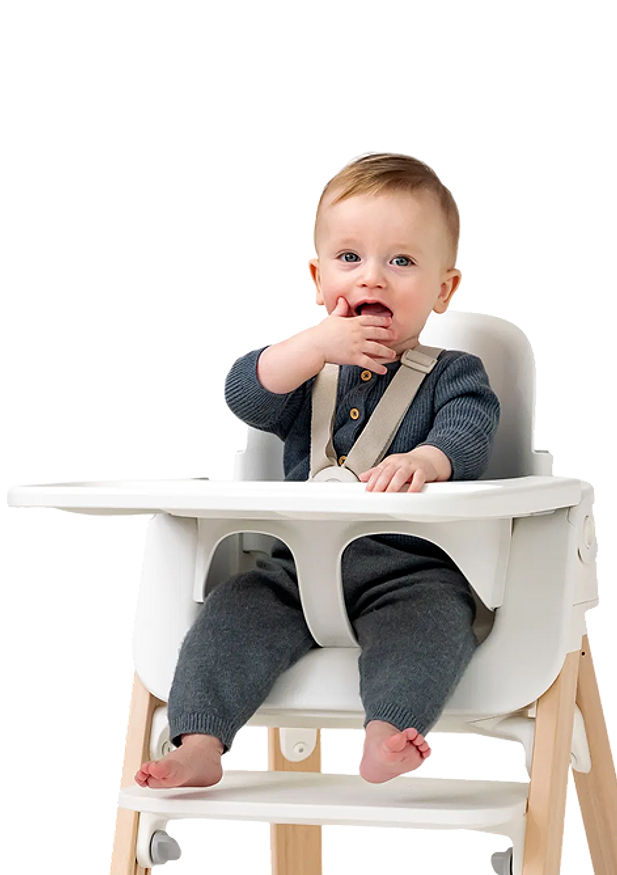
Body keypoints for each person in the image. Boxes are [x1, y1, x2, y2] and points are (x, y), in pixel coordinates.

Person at [137, 151, 500, 789]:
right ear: (316, 277)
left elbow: (469, 430)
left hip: (410, 570)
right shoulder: (309, 372)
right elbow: (244, 396)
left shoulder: (454, 373)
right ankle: (198, 742)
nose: (373, 279)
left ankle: (387, 733)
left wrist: (426, 459)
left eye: (403, 261)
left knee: (436, 626)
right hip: (297, 571)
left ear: (444, 288)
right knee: (229, 614)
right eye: (350, 258)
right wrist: (308, 348)